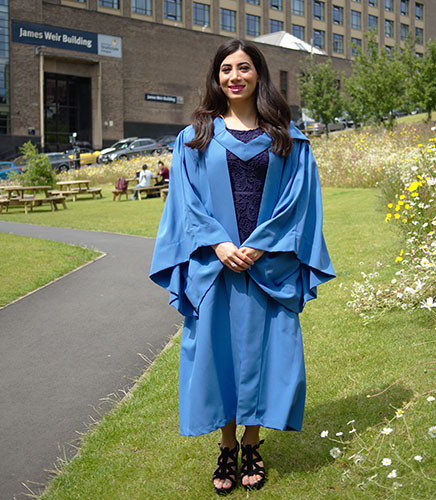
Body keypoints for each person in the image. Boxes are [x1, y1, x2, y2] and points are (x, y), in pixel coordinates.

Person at [150, 38, 335, 495]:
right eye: (227, 69)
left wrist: (260, 245)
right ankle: (227, 446)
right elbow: (185, 201)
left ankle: (253, 445)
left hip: (267, 267)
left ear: (259, 74)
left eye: (244, 68)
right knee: (219, 357)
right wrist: (217, 243)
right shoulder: (197, 134)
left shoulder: (286, 137)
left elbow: (298, 201)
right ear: (217, 77)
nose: (235, 76)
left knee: (266, 355)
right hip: (217, 267)